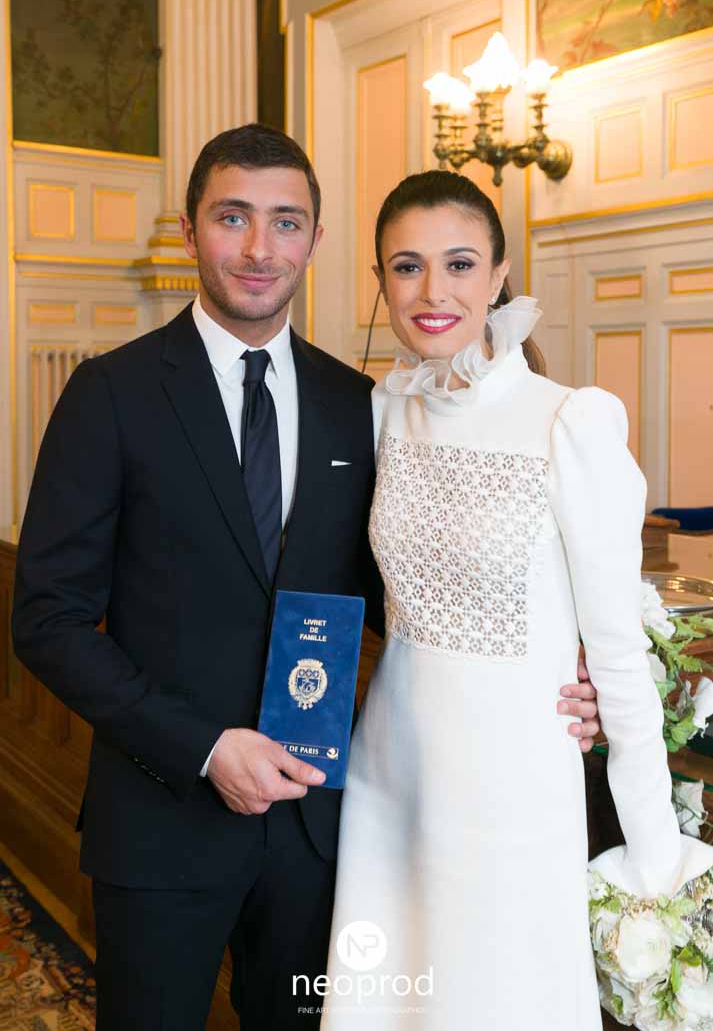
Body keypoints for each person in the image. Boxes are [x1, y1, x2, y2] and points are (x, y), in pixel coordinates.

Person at [12, 126, 599, 1031]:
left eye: (285, 222)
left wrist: (568, 670)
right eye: (232, 218)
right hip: (163, 822)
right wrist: (204, 747)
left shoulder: (357, 403)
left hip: (323, 835)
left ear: (315, 241)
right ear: (190, 229)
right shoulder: (110, 393)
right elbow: (46, 620)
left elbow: (407, 585)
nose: (259, 247)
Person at [321, 170, 713, 1029]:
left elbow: (614, 650)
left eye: (459, 264)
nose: (433, 291)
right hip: (388, 773)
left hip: (513, 780)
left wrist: (654, 859)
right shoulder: (385, 410)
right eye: (407, 266)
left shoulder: (569, 421)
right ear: (380, 281)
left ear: (499, 275)